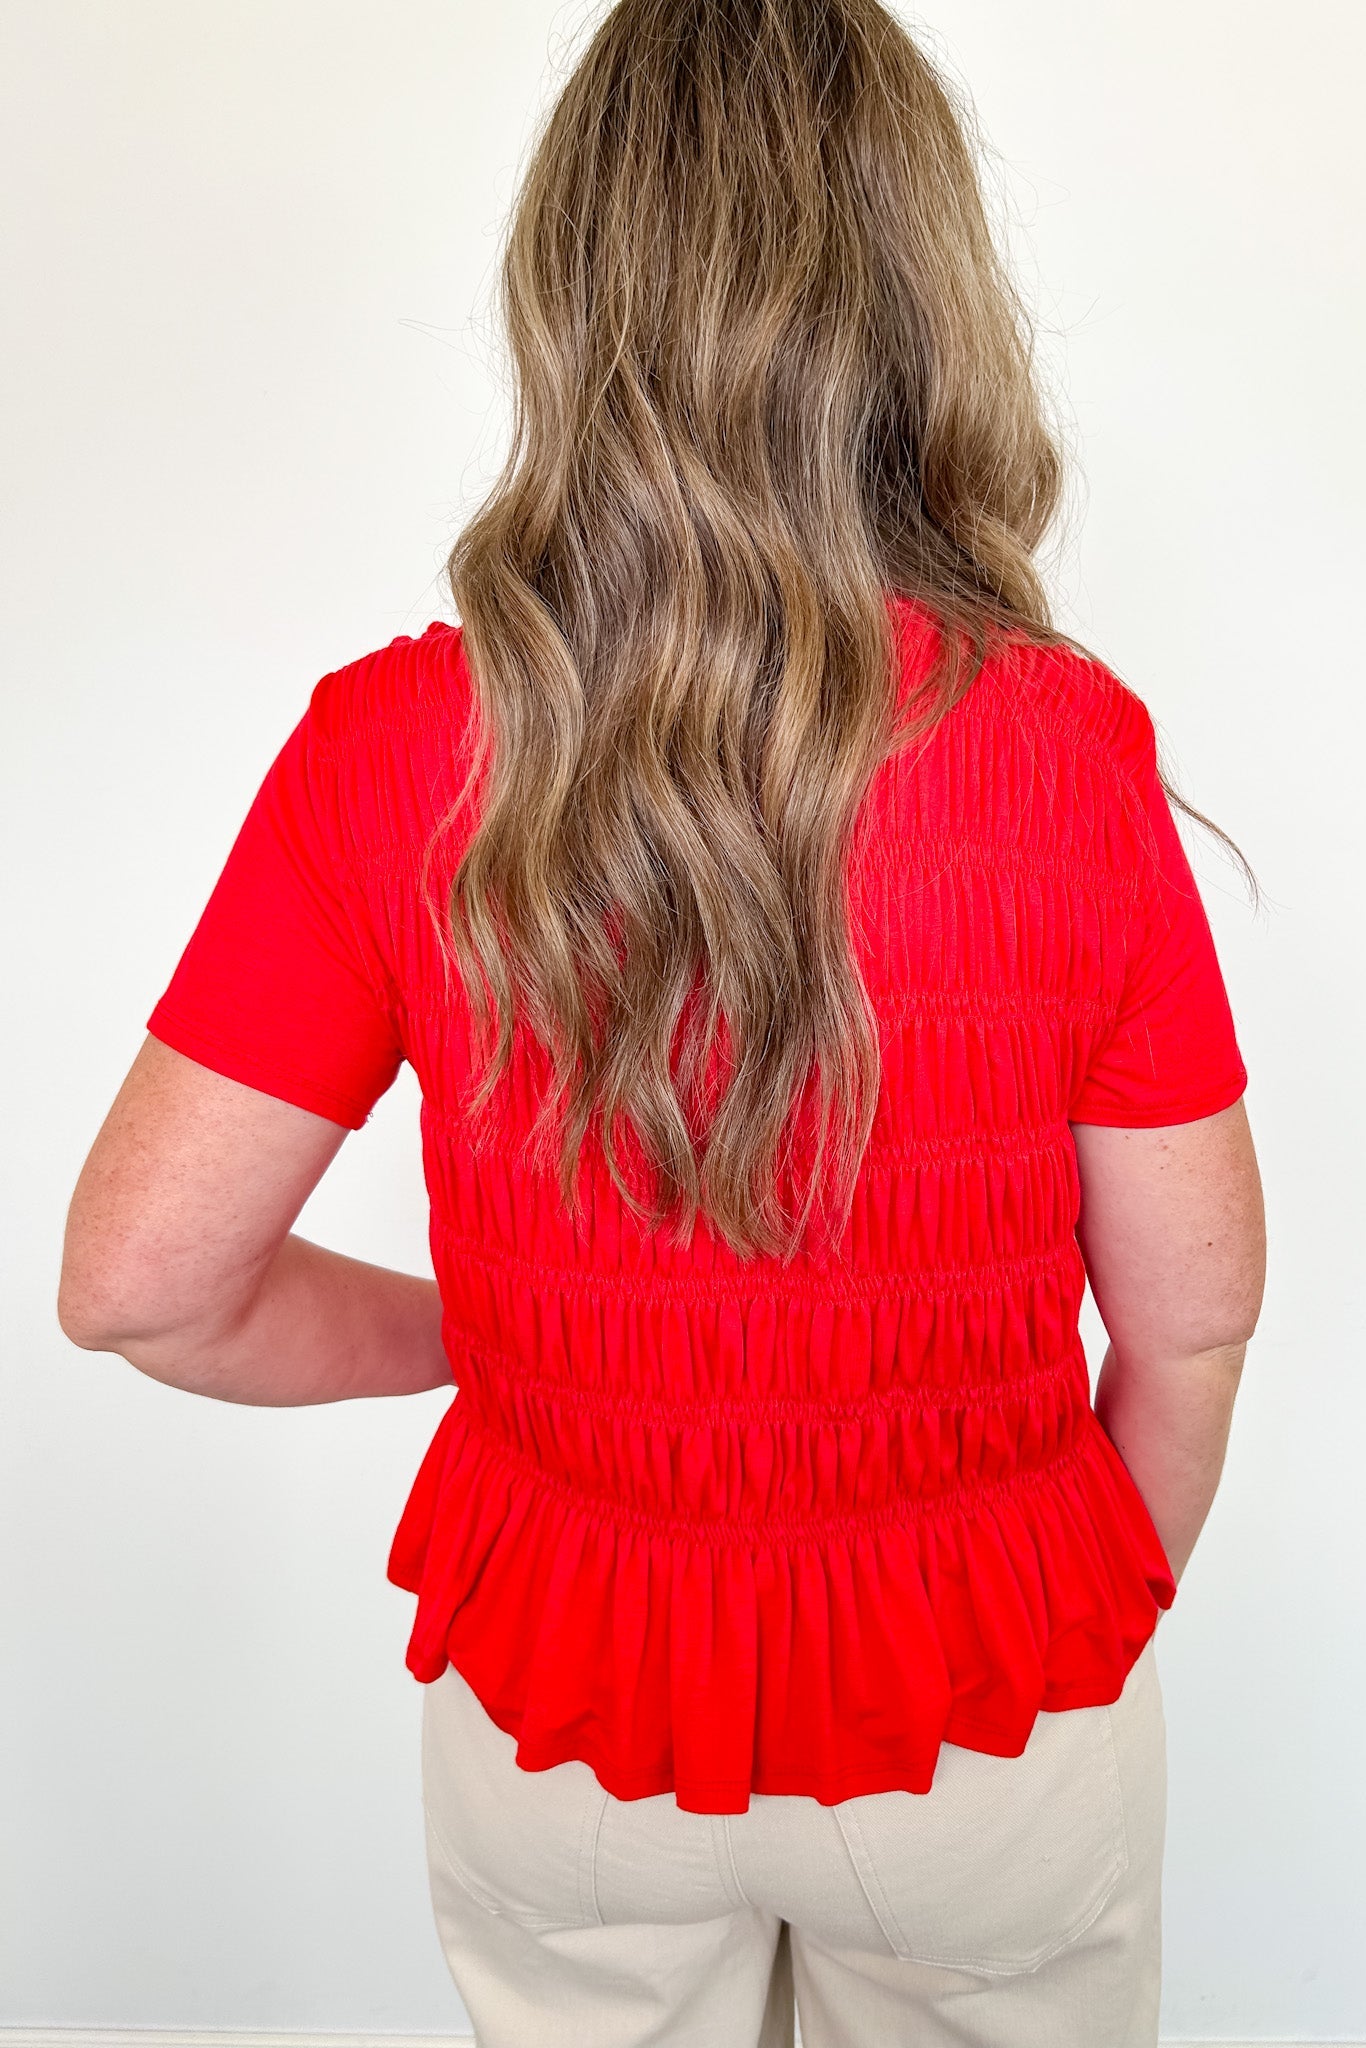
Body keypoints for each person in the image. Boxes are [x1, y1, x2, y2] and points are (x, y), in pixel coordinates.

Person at [57, 1, 1267, 2043]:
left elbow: (141, 1286)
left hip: (570, 1718)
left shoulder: (392, 752)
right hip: (982, 1718)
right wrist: (1060, 1632)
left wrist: (477, 1340)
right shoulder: (1064, 750)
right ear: (919, 302)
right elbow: (1192, 1318)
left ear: (567, 297)